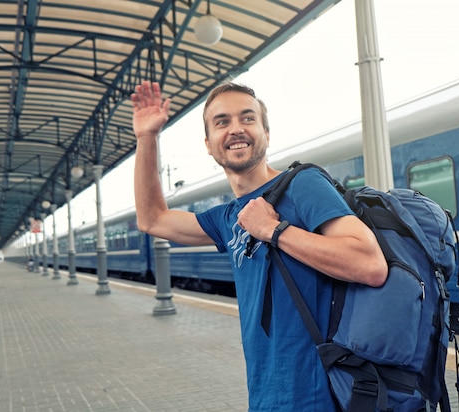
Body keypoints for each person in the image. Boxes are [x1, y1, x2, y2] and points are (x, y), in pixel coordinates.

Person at [131, 81, 388, 411]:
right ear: (209, 144)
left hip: (318, 396)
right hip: (267, 394)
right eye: (222, 122)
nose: (236, 129)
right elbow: (152, 219)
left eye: (248, 118)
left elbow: (370, 264)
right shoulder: (228, 218)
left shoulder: (303, 185)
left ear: (266, 132)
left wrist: (274, 230)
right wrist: (146, 138)